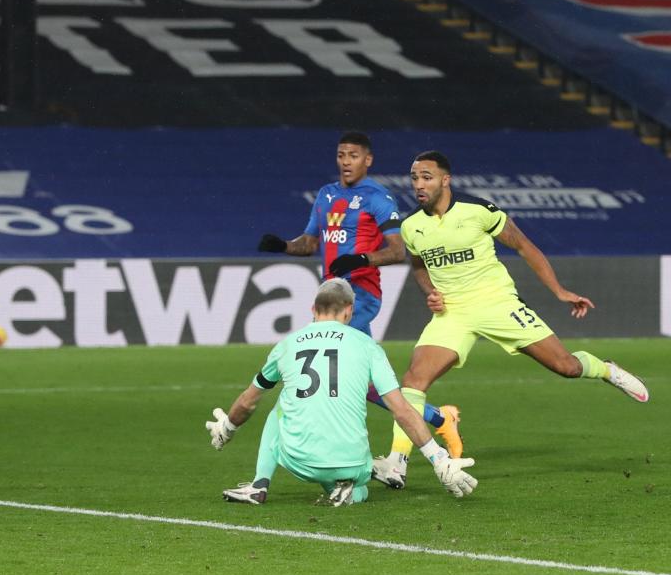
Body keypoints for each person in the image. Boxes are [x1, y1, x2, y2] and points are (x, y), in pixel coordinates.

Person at [371, 150, 650, 490]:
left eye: (426, 177)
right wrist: (430, 290)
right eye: (414, 177)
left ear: (446, 179)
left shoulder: (479, 210)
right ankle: (397, 461)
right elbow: (417, 263)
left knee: (565, 366)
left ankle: (606, 369)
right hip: (453, 312)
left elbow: (524, 246)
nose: (419, 184)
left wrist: (559, 291)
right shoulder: (412, 225)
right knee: (414, 380)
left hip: (497, 302)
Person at [257, 131, 464, 457]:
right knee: (367, 383)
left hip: (361, 296)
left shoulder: (377, 198)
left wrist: (361, 259)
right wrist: (282, 245)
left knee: (329, 364)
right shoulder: (326, 195)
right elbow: (309, 244)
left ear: (367, 160)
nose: (345, 162)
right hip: (331, 297)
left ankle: (330, 448)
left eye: (353, 155)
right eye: (341, 155)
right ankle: (439, 418)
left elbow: (398, 251)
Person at [205, 278, 477, 505]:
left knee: (280, 404)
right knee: (358, 480)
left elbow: (248, 401)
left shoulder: (286, 345)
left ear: (313, 309)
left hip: (299, 462)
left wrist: (227, 427)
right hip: (355, 464)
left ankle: (259, 484)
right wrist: (438, 459)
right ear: (349, 310)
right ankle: (352, 487)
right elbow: (402, 409)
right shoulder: (367, 346)